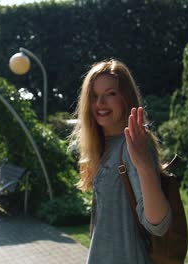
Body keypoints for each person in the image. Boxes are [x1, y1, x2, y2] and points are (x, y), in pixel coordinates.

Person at [70, 59, 172, 263]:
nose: (100, 103)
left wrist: (144, 165)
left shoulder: (133, 144)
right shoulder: (105, 145)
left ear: (126, 98)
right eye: (95, 96)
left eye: (111, 94)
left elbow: (158, 224)